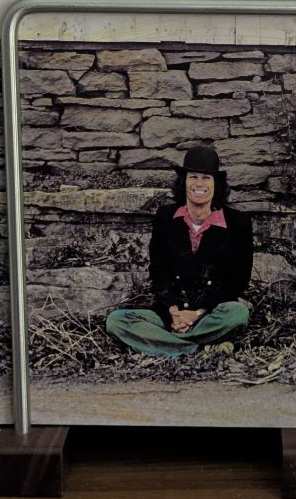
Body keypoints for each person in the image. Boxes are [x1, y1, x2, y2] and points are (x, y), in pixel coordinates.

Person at [106, 145, 253, 358]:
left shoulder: (238, 223)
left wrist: (196, 314)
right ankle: (196, 348)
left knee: (238, 314)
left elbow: (238, 281)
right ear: (184, 182)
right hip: (170, 315)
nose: (199, 184)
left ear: (216, 184)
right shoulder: (166, 217)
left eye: (206, 178)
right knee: (116, 321)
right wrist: (175, 312)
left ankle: (164, 343)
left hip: (211, 314)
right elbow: (158, 272)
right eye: (193, 177)